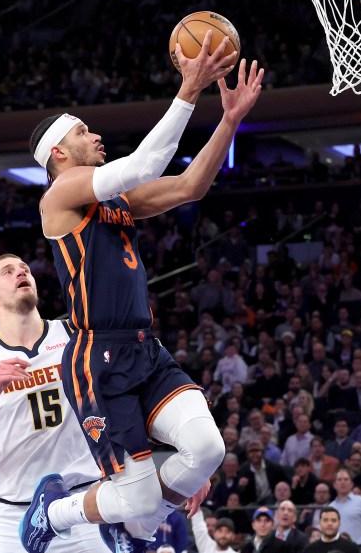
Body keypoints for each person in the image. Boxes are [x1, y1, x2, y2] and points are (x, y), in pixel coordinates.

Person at [22, 37, 263, 553]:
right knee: (136, 496)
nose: (96, 135)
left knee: (207, 448)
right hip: (97, 358)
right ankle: (57, 512)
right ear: (59, 153)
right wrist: (188, 89)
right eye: (83, 132)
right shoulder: (59, 195)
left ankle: (134, 525)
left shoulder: (117, 198)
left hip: (143, 348)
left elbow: (189, 187)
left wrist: (229, 121)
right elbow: (143, 163)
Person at [0, 254, 105, 553]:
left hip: (82, 505)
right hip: (13, 517)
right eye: (8, 271)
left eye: (25, 269)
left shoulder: (74, 335)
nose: (20, 273)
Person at [330, 470, 361, 552]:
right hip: (337, 549)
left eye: (346, 479)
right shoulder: (331, 507)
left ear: (351, 484)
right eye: (339, 480)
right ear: (334, 485)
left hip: (360, 548)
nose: (343, 482)